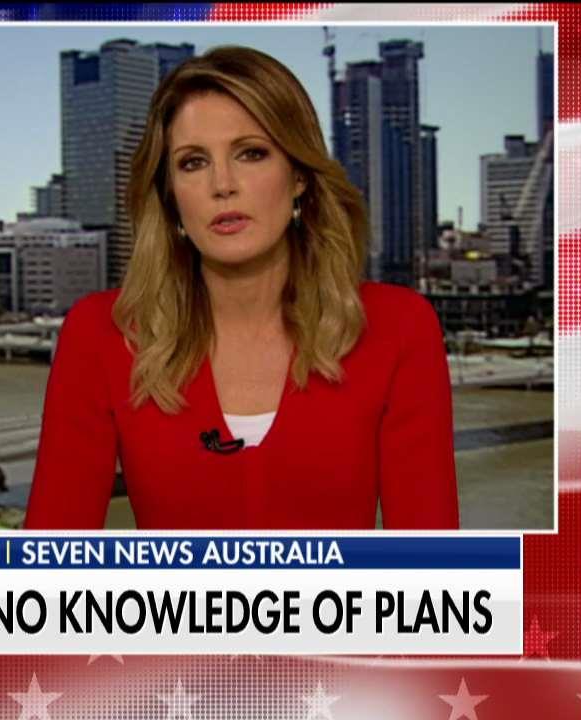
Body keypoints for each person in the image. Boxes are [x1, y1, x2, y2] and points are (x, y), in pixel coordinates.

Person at [25, 46, 458, 530]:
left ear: (299, 176)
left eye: (251, 153)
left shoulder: (398, 328)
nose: (223, 184)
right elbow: (50, 558)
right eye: (193, 163)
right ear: (170, 196)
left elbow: (433, 561)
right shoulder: (100, 335)